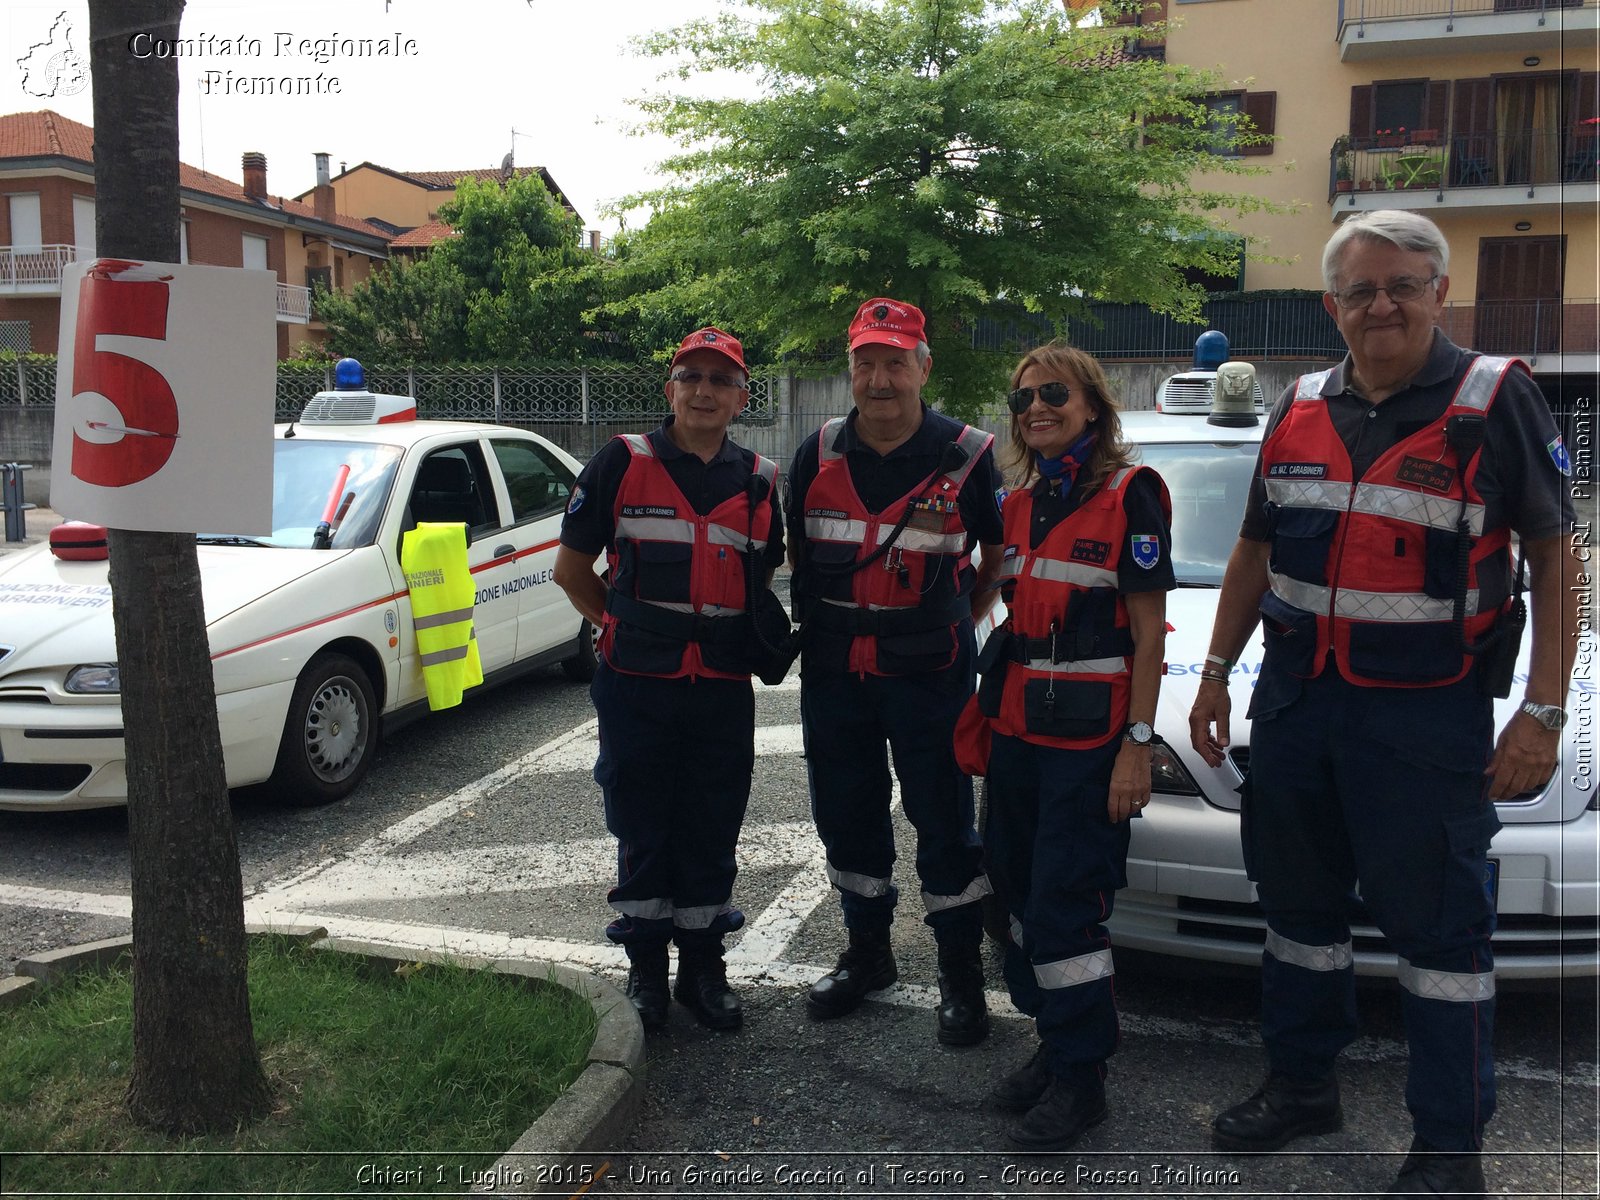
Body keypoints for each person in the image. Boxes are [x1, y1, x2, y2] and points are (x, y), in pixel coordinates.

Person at [1187, 211, 1581, 1198]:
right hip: (1294, 707)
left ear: (1440, 291)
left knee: (1442, 937)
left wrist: (1540, 715)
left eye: (1402, 284)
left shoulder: (1497, 401)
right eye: (1360, 290)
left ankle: (1449, 1148)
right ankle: (1301, 1084)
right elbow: (1250, 552)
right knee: (1296, 910)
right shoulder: (1298, 405)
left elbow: (1554, 554)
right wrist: (1209, 673)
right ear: (1332, 306)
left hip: (1423, 718)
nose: (1382, 305)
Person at [968, 342, 1174, 1151]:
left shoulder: (1132, 497)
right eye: (1023, 400)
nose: (1037, 409)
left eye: (1053, 393)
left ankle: (1083, 1078)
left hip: (1091, 744)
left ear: (1092, 404)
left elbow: (1152, 637)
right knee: (1015, 895)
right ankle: (1055, 1045)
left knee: (1066, 902)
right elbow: (994, 605)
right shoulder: (1016, 505)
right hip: (1018, 737)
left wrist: (1138, 747)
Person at [786, 297, 1005, 1046]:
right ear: (849, 370)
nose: (880, 380)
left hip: (930, 674)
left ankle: (960, 976)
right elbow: (800, 562)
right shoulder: (816, 454)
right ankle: (868, 955)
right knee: (846, 815)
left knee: (944, 822)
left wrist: (947, 623)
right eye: (866, 363)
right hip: (835, 674)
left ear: (923, 367)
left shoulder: (971, 455)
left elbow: (996, 564)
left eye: (895, 362)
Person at [554, 327, 785, 1033]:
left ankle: (705, 974)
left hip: (719, 686)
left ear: (742, 396)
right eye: (692, 377)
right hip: (638, 686)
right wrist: (619, 626)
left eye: (721, 380)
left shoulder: (761, 481)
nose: (705, 391)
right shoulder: (623, 461)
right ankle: (647, 975)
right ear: (670, 390)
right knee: (643, 824)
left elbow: (759, 580)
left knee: (712, 825)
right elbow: (571, 569)